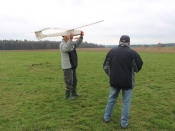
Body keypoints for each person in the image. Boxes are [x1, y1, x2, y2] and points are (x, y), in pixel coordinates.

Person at [103, 35, 143, 128]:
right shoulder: (133, 53)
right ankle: (124, 123)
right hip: (127, 82)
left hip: (114, 81)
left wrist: (111, 75)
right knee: (126, 103)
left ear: (119, 41)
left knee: (111, 99)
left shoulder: (111, 51)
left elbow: (105, 66)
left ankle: (106, 117)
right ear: (129, 43)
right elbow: (137, 68)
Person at [59, 31, 84, 100]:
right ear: (64, 36)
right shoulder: (62, 44)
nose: (69, 36)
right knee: (69, 81)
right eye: (68, 35)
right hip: (67, 66)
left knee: (74, 80)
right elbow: (66, 48)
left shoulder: (71, 43)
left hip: (73, 65)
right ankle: (67, 96)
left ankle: (74, 92)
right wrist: (70, 40)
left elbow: (76, 43)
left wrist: (81, 37)